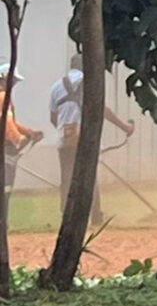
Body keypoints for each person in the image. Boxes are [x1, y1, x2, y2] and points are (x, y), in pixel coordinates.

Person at [48, 53, 135, 224]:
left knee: (67, 178)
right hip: (86, 139)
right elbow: (103, 109)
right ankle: (95, 216)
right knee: (90, 177)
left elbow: (53, 118)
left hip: (65, 138)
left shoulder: (56, 86)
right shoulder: (89, 83)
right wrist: (125, 127)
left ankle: (67, 216)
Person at [0, 64, 43, 191]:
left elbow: (12, 121)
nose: (13, 84)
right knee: (6, 186)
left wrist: (29, 132)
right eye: (12, 80)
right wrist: (19, 139)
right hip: (5, 147)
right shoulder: (2, 97)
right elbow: (6, 123)